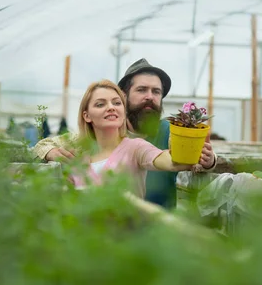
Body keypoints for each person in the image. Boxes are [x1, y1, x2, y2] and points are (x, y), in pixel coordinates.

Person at [32, 58, 217, 209]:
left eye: (156, 92)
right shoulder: (85, 140)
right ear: (125, 95)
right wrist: (51, 153)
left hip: (155, 232)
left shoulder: (170, 132)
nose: (150, 97)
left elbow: (181, 160)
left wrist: (209, 160)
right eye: (142, 90)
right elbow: (41, 146)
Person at [68, 79, 202, 198]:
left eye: (116, 103)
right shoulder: (77, 157)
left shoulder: (135, 148)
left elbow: (169, 161)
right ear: (86, 116)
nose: (111, 108)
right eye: (100, 104)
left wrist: (193, 152)